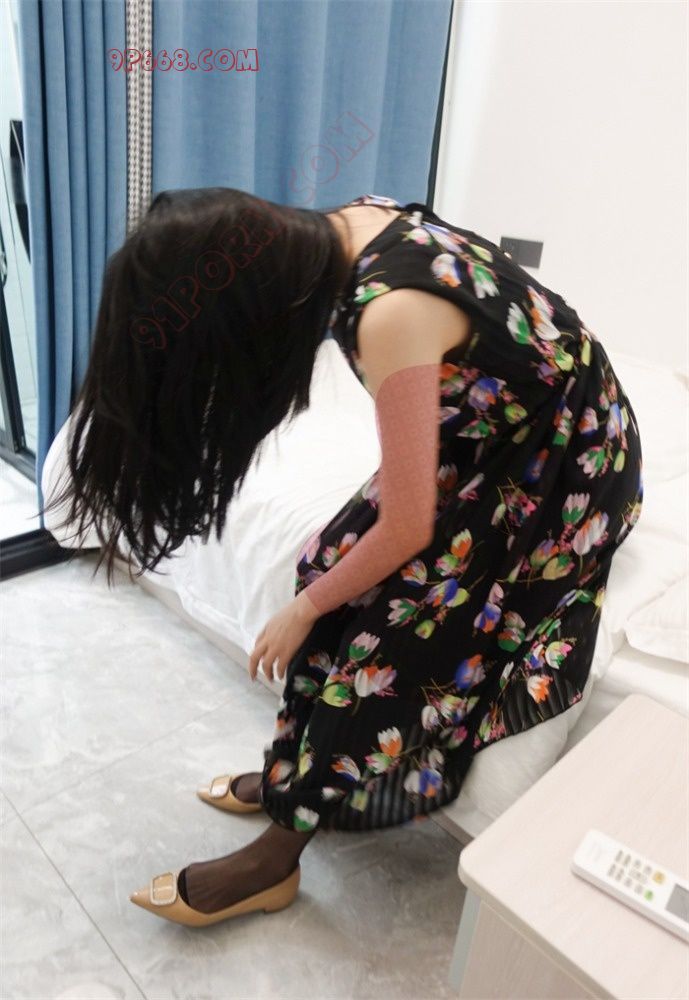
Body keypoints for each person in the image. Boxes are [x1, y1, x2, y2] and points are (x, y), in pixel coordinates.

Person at [44, 189, 644, 928]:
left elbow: (407, 529)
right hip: (490, 421)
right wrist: (315, 593)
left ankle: (276, 858)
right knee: (328, 562)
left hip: (565, 457)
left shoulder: (390, 312)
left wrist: (303, 610)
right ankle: (294, 777)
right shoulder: (352, 221)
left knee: (386, 639)